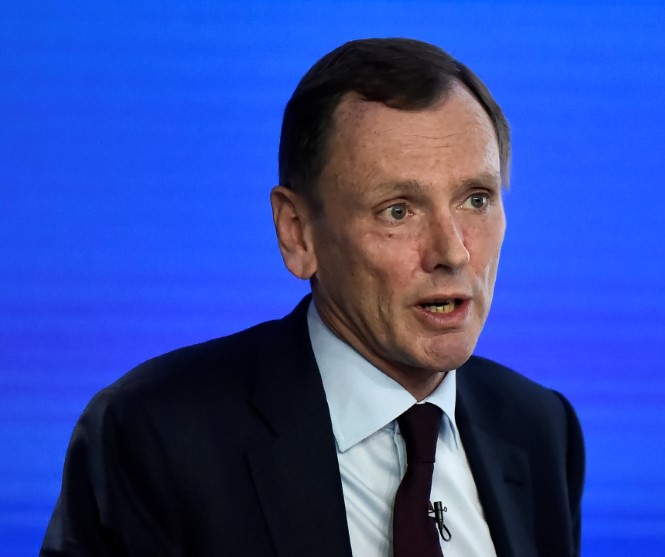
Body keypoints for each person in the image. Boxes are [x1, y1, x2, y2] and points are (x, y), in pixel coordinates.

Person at [41, 38, 584, 557]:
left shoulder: (540, 430)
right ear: (298, 233)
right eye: (398, 209)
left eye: (476, 199)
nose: (453, 252)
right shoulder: (155, 436)